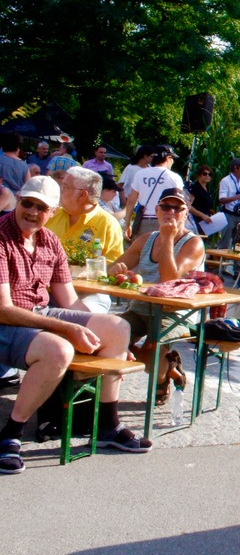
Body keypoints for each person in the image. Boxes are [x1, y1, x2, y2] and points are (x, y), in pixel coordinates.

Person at [0, 176, 152, 472]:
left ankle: (108, 425)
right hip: (6, 321)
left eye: (40, 207)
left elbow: (69, 301)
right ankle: (11, 434)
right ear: (18, 201)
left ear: (53, 211)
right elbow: (5, 310)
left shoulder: (49, 241)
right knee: (58, 349)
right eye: (26, 203)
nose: (31, 211)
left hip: (35, 312)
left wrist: (113, 345)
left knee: (118, 328)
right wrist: (68, 328)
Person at [110, 188, 205, 403]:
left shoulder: (193, 243)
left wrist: (168, 239)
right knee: (107, 336)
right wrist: (118, 271)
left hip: (175, 313)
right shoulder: (145, 240)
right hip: (141, 308)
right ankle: (167, 366)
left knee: (151, 359)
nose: (170, 212)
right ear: (157, 210)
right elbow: (114, 267)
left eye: (177, 208)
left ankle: (164, 369)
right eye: (165, 206)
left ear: (186, 213)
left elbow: (169, 278)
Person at [45, 167, 125, 312]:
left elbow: (113, 267)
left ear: (82, 194)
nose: (60, 190)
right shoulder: (52, 214)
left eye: (65, 187)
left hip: (87, 294)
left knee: (82, 318)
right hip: (45, 290)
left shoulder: (107, 224)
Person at [121, 145, 185, 238]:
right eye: (172, 158)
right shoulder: (174, 177)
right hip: (165, 220)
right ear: (167, 158)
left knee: (142, 251)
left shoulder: (140, 174)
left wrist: (127, 224)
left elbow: (131, 201)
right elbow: (180, 203)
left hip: (143, 221)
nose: (173, 161)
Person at [217, 157, 240, 252]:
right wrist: (235, 197)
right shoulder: (226, 181)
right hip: (229, 214)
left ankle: (238, 266)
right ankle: (221, 266)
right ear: (236, 168)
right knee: (225, 243)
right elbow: (222, 199)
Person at [186, 165, 216, 234]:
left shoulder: (207, 189)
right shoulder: (195, 188)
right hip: (195, 221)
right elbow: (189, 206)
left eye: (210, 174)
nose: (207, 176)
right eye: (205, 174)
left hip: (205, 222)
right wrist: (202, 215)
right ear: (199, 175)